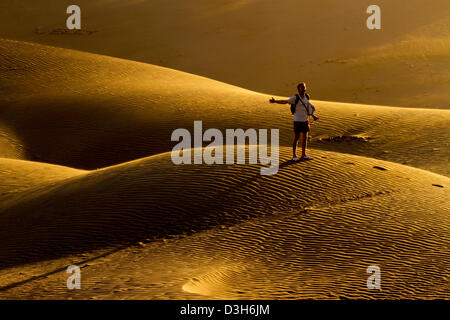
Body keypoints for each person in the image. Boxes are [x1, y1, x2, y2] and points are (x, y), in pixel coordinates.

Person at [269, 82, 319, 161]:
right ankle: (294, 155)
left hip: (305, 120)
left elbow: (308, 107)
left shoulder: (306, 97)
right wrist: (275, 101)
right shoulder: (295, 98)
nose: (304, 89)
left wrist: (313, 116)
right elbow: (285, 101)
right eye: (302, 87)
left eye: (305, 87)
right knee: (296, 138)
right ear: (298, 89)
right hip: (297, 121)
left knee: (305, 138)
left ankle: (303, 155)